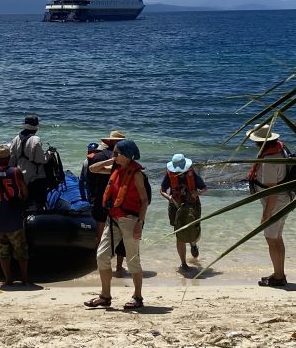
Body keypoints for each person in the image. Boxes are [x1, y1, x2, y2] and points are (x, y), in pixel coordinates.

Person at [84, 139, 148, 310]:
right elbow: (92, 168)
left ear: (127, 156)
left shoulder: (136, 174)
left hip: (130, 220)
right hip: (112, 219)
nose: (114, 155)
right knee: (102, 256)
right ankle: (105, 296)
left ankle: (138, 297)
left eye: (117, 153)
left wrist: (139, 224)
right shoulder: (116, 168)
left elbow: (144, 200)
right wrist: (113, 159)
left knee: (133, 260)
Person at [247, 124, 289, 287]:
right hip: (284, 199)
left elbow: (273, 191)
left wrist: (266, 214)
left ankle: (278, 277)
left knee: (271, 239)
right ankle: (279, 273)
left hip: (276, 202)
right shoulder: (280, 149)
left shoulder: (269, 161)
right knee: (277, 238)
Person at [0, 144, 30, 287]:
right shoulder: (16, 172)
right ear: (9, 158)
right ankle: (25, 278)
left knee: (2, 252)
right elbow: (24, 193)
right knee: (21, 250)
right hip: (14, 218)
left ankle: (8, 279)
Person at [85, 130, 127, 273]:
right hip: (118, 200)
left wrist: (90, 196)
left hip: (100, 198)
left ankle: (99, 265)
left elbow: (89, 176)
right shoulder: (126, 159)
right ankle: (119, 267)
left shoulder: (97, 156)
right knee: (120, 233)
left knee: (101, 233)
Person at [160, 153, 207, 270]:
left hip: (192, 206)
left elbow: (204, 188)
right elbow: (162, 190)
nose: (178, 172)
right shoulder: (169, 174)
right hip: (176, 207)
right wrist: (169, 197)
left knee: (193, 230)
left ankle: (193, 244)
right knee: (179, 235)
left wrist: (197, 193)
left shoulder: (192, 174)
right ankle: (183, 263)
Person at [9, 114, 50, 208]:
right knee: (38, 203)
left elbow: (12, 160)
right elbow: (42, 160)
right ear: (36, 128)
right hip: (35, 178)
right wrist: (49, 154)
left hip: (20, 176)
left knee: (24, 202)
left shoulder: (16, 138)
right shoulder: (35, 139)